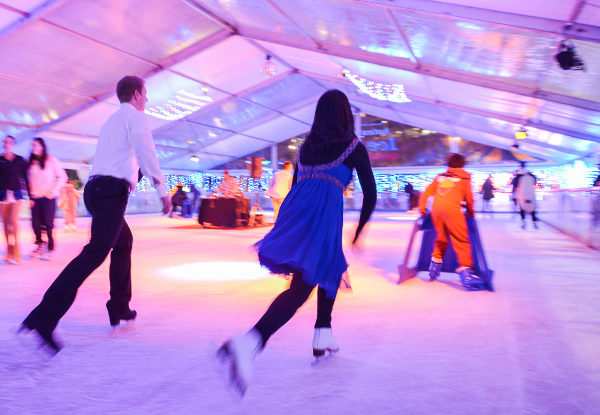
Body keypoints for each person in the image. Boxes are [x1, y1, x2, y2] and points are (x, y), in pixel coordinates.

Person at [218, 90, 377, 396]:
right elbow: (370, 193)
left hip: (297, 215)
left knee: (330, 267)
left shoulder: (306, 148)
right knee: (303, 286)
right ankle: (251, 339)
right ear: (345, 115)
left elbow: (296, 186)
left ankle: (323, 332)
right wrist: (359, 232)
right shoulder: (354, 147)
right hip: (321, 219)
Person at [20, 75, 171, 353]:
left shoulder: (112, 120)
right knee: (95, 253)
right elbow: (146, 152)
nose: (147, 99)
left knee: (123, 242)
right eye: (145, 94)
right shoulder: (137, 118)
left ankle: (120, 308)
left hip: (96, 190)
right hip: (111, 192)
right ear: (136, 94)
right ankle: (44, 315)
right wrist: (162, 190)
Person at [418, 153, 485, 291]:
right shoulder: (465, 178)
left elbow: (426, 193)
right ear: (462, 164)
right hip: (453, 210)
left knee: (441, 239)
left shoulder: (440, 177)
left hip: (436, 210)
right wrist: (471, 212)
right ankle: (466, 276)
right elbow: (469, 198)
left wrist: (423, 210)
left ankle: (434, 268)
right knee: (461, 240)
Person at [28, 137, 67, 260]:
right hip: (35, 198)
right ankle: (40, 246)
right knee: (36, 224)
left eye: (37, 145)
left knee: (48, 225)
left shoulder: (51, 160)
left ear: (43, 147)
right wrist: (30, 196)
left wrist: (54, 191)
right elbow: (28, 180)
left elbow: (63, 177)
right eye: (33, 145)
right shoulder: (31, 163)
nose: (34, 147)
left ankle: (49, 249)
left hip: (48, 197)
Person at [0, 135, 29, 263]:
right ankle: (9, 250)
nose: (7, 144)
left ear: (13, 144)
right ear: (3, 144)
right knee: (6, 223)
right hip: (2, 193)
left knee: (13, 221)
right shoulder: (0, 159)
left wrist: (31, 195)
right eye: (5, 142)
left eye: (10, 142)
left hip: (16, 193)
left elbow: (26, 177)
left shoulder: (19, 159)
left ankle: (16, 247)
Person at [513, 162, 538, 229]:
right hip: (530, 194)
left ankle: (524, 223)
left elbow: (515, 187)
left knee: (522, 209)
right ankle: (534, 223)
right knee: (532, 209)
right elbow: (534, 184)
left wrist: (515, 196)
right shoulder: (532, 176)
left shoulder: (518, 177)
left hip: (522, 195)